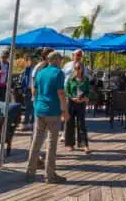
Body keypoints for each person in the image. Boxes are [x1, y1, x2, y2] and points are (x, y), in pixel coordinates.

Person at [25, 52, 69, 184]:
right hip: (53, 111)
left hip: (39, 110)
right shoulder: (58, 73)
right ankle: (50, 175)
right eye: (60, 59)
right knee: (51, 143)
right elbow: (60, 92)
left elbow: (34, 91)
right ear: (56, 60)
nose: (61, 62)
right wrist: (64, 110)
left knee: (36, 141)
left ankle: (30, 171)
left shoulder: (40, 73)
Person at [64, 61, 90, 153]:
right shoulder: (71, 79)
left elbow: (88, 91)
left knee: (81, 124)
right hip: (71, 103)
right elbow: (67, 91)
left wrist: (84, 98)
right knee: (70, 124)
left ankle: (84, 145)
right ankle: (70, 144)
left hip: (81, 103)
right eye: (75, 68)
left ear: (82, 69)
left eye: (79, 68)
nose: (77, 70)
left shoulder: (85, 79)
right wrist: (72, 97)